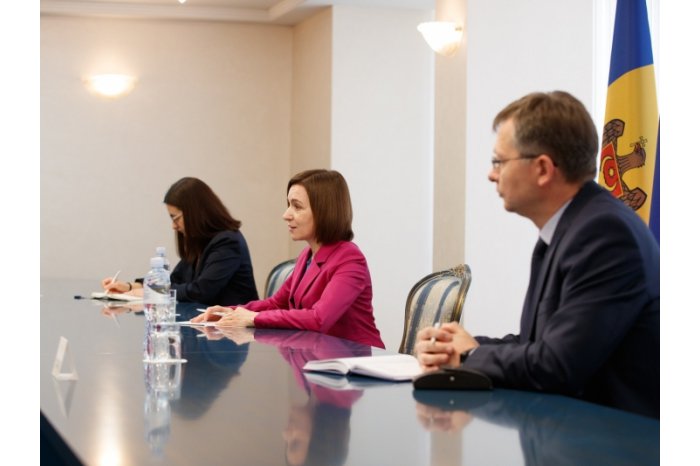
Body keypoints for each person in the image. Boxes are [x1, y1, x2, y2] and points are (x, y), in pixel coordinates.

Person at [415, 91, 660, 418]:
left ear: (543, 169)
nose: (491, 174)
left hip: (618, 437)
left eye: (499, 162)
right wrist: (458, 346)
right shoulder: (572, 228)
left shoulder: (604, 234)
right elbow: (536, 343)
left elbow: (558, 365)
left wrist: (470, 356)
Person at [193, 169, 385, 348]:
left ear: (324, 212)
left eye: (297, 207)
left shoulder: (350, 258)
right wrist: (231, 311)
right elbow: (277, 303)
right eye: (289, 205)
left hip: (357, 361)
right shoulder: (307, 255)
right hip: (321, 358)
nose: (286, 215)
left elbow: (319, 318)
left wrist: (253, 318)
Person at [101, 177, 259, 305]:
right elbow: (175, 279)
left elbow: (200, 291)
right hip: (207, 323)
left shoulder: (227, 242)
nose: (174, 226)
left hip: (233, 330)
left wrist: (153, 292)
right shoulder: (201, 240)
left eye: (175, 218)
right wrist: (130, 286)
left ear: (195, 213)